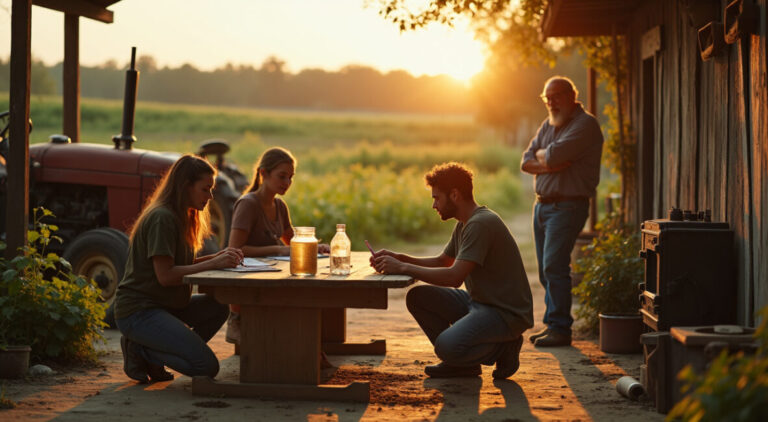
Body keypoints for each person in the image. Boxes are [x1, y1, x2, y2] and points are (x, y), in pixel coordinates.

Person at [371, 162, 533, 379]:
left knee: (446, 347)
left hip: (504, 313)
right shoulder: (465, 223)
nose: (434, 205)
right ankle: (463, 365)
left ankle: (504, 347)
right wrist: (400, 258)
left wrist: (402, 267)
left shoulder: (480, 224)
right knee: (418, 297)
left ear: (454, 195)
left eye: (437, 198)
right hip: (480, 303)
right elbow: (443, 261)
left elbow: (454, 277)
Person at [114, 154, 243, 383]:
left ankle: (159, 352)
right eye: (205, 189)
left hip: (166, 306)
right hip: (140, 311)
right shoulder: (162, 218)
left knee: (218, 306)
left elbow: (177, 265)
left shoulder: (183, 216)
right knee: (206, 366)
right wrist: (214, 263)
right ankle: (140, 349)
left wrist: (218, 256)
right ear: (186, 187)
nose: (210, 196)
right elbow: (166, 276)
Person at [521, 76, 604, 347]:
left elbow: (552, 155)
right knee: (546, 272)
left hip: (568, 205)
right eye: (547, 98)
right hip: (542, 205)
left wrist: (546, 158)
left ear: (572, 95)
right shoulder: (549, 124)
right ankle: (553, 324)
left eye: (556, 96)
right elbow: (526, 161)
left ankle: (560, 329)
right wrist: (550, 163)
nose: (551, 102)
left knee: (554, 266)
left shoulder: (585, 124)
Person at [225, 147, 329, 344]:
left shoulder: (280, 206)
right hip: (247, 283)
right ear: (263, 173)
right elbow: (235, 250)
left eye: (290, 177)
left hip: (270, 276)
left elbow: (292, 241)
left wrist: (316, 248)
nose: (287, 183)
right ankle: (238, 321)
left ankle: (309, 346)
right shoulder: (248, 204)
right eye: (282, 176)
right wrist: (279, 249)